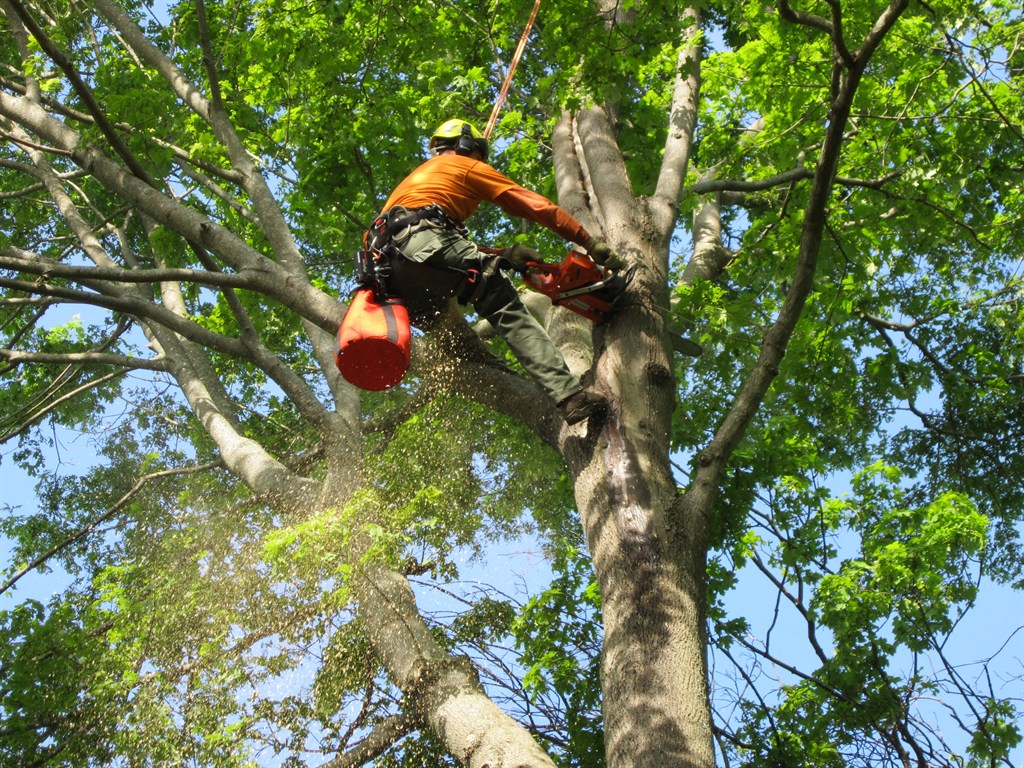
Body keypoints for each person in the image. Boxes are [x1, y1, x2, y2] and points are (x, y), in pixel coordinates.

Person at [368, 119, 623, 425]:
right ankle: (570, 397)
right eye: (480, 155)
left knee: (454, 327)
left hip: (390, 276)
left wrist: (506, 256)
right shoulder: (464, 166)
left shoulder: (415, 184)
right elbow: (533, 205)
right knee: (501, 302)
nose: (482, 162)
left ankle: (480, 362)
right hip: (425, 244)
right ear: (466, 147)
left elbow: (440, 251)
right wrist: (587, 241)